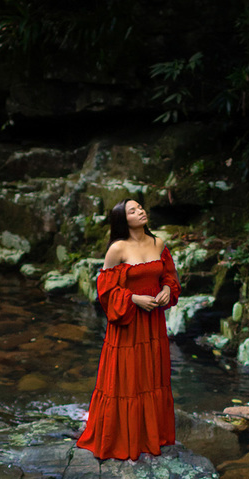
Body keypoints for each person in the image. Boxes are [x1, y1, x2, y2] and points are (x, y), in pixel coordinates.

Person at [76, 198, 180, 463]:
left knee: (152, 378)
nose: (140, 211)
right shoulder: (117, 249)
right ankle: (124, 439)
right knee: (127, 381)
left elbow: (168, 276)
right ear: (123, 220)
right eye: (133, 210)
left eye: (140, 207)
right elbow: (105, 291)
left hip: (153, 324)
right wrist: (133, 299)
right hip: (128, 326)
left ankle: (150, 436)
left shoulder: (158, 243)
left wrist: (166, 289)